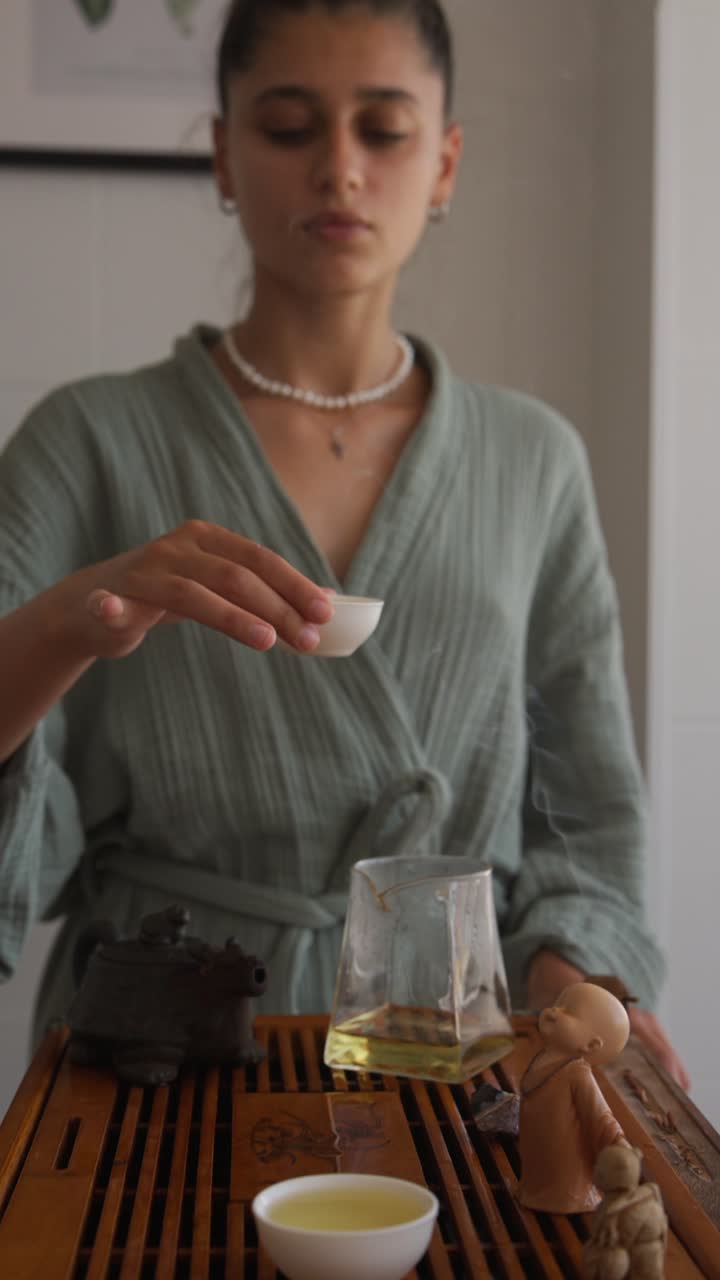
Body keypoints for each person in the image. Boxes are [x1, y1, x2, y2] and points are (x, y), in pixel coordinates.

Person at [0, 0, 688, 1088]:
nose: (339, 168)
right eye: (287, 127)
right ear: (224, 154)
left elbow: (587, 819)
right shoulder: (85, 442)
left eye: (384, 128)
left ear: (447, 160)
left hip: (460, 1056)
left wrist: (568, 981)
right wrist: (64, 624)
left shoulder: (533, 459)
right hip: (158, 1051)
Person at [517, 982, 630, 1213]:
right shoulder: (544, 1057)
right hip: (536, 1149)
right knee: (538, 1170)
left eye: (570, 1012)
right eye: (559, 1004)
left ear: (591, 1045)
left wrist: (618, 1144)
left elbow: (600, 1116)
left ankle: (567, 1198)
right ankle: (533, 1191)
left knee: (559, 1179)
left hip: (565, 1167)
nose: (554, 1011)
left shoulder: (578, 1074)